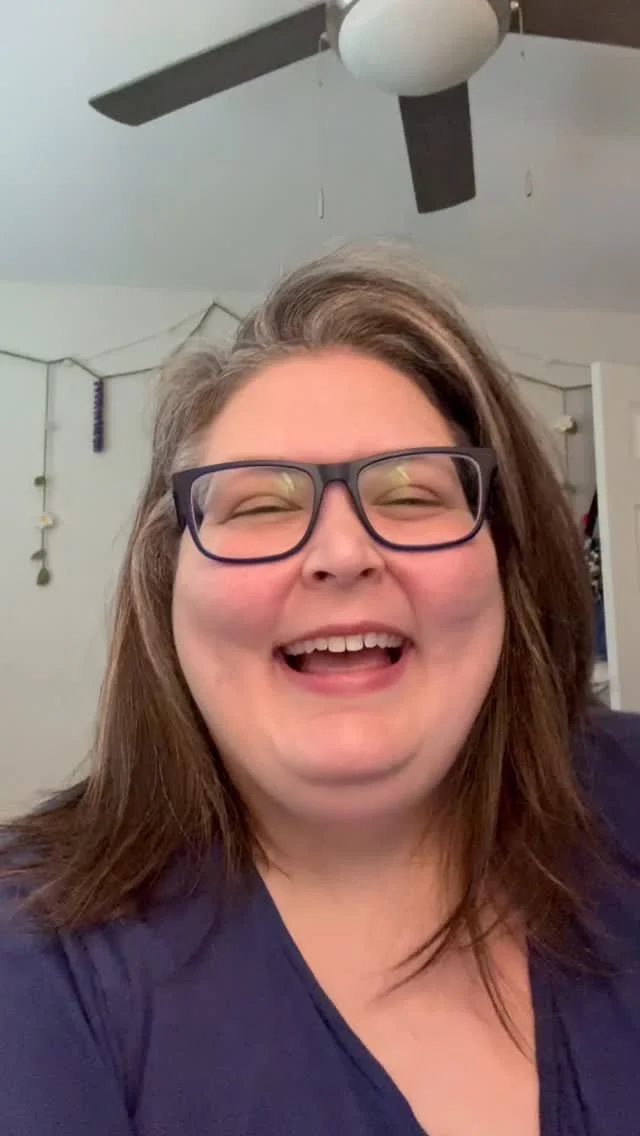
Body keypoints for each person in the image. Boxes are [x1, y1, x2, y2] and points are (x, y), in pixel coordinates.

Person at [1, 246, 639, 1136]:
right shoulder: (35, 962)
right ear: (166, 586)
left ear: (506, 560)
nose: (343, 553)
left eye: (412, 495)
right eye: (259, 506)